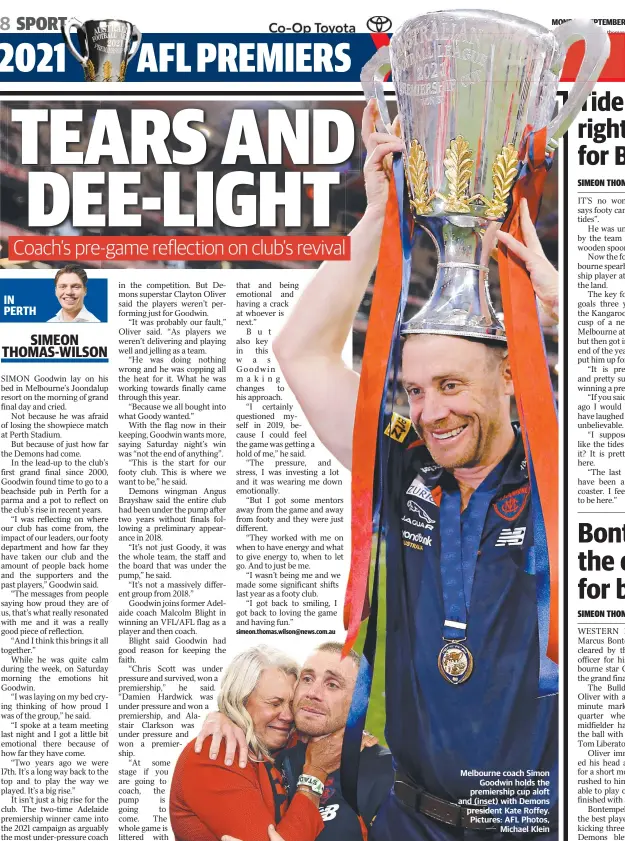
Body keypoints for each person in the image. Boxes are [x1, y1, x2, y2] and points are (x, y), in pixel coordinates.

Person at [270, 100, 560, 840]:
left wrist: (573, 308)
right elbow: (298, 351)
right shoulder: (405, 462)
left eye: (452, 386)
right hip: (406, 818)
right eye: (415, 388)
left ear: (508, 379)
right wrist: (375, 221)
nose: (429, 412)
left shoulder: (563, 477)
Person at [197, 642, 394, 841]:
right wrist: (224, 716)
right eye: (307, 679)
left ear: (358, 701)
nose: (313, 693)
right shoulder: (270, 750)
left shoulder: (385, 773)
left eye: (332, 684)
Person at [170, 645, 342, 841]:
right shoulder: (215, 753)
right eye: (275, 704)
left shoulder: (281, 741)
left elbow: (333, 729)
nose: (287, 716)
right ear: (240, 702)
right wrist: (314, 775)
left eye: (292, 704)